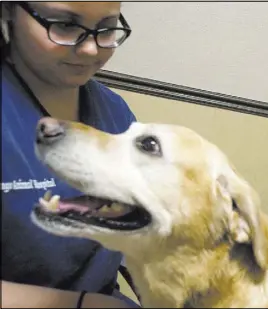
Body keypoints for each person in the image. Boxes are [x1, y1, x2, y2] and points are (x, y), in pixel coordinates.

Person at [1, 2, 140, 307]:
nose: (91, 49)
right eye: (65, 25)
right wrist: (82, 304)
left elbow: (136, 235)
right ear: (9, 9)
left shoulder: (116, 114)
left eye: (106, 29)